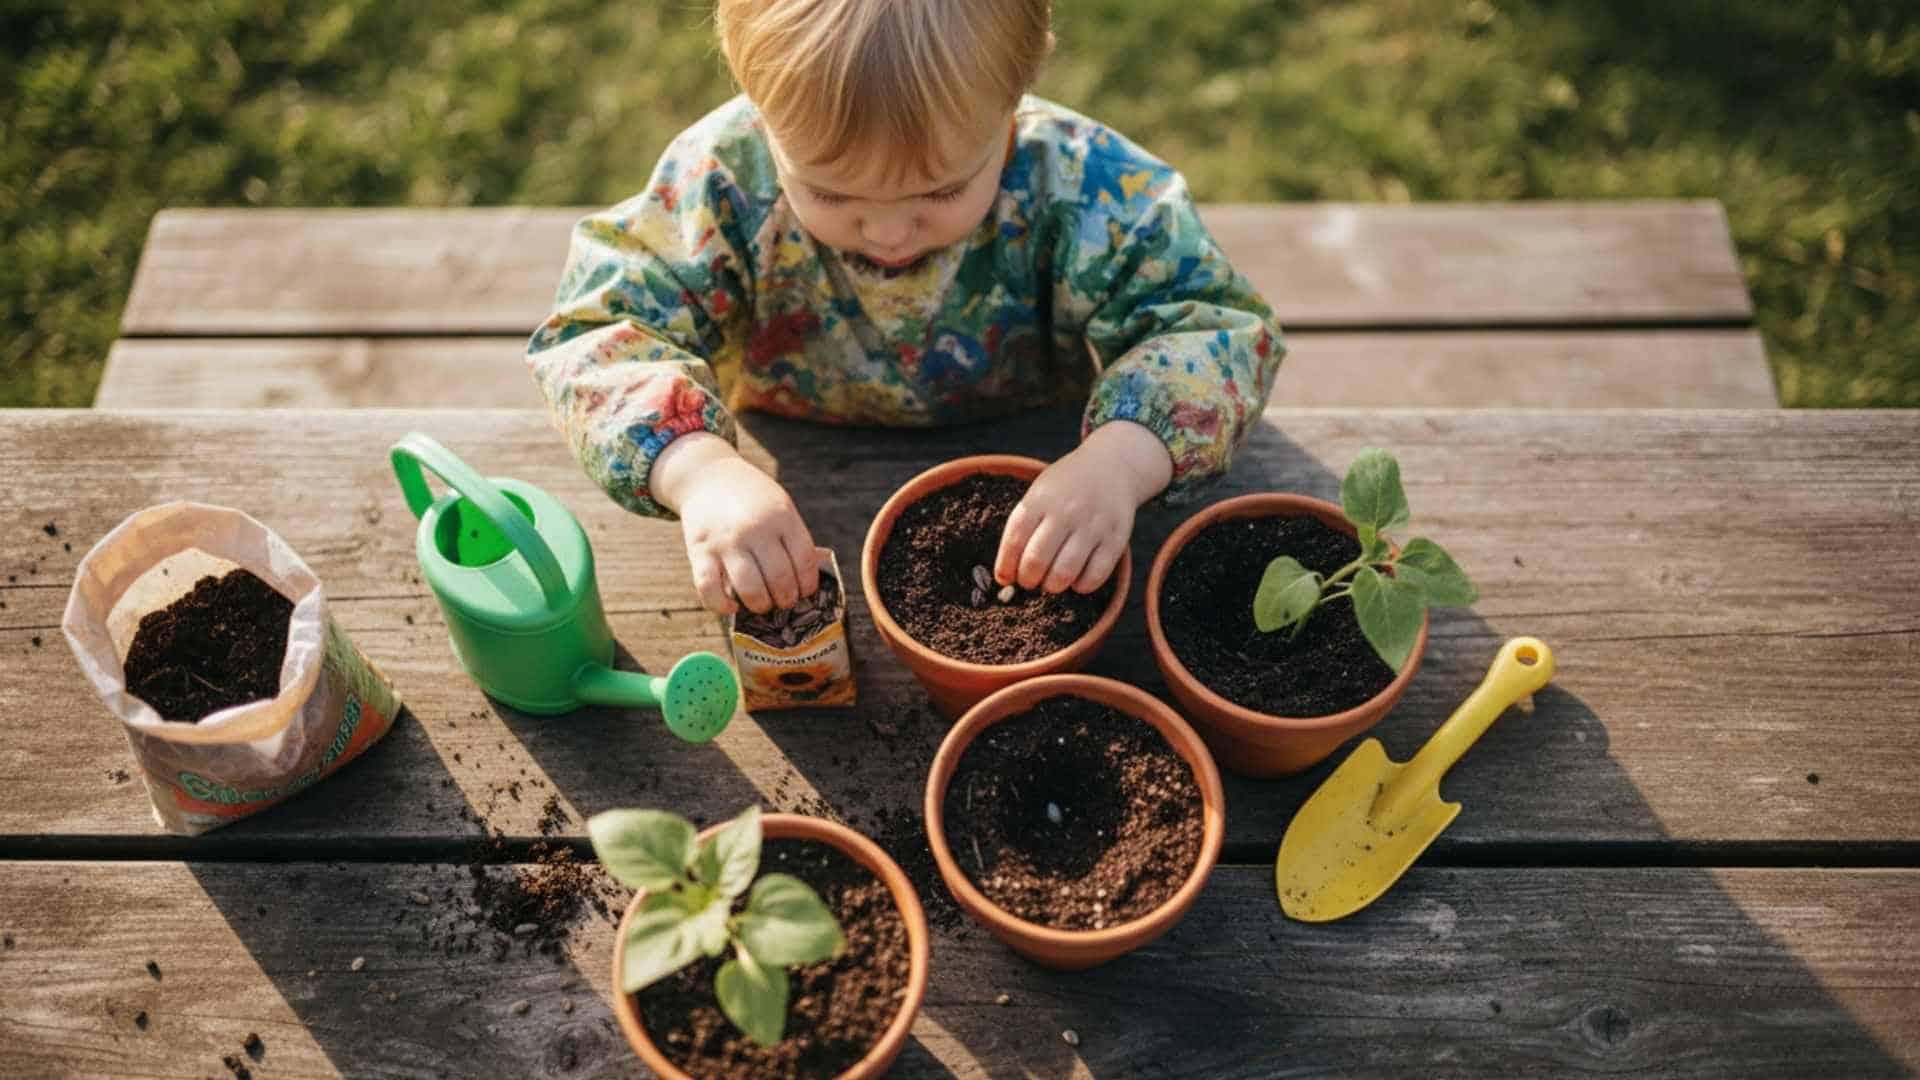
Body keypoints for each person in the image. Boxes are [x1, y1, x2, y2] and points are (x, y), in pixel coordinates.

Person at [526, 0, 1284, 617]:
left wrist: (1122, 460)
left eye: (942, 191)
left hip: (1041, 455)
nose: (888, 232)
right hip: (794, 461)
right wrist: (699, 473)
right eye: (828, 193)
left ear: (1013, 107)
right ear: (761, 114)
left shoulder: (1086, 186)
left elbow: (1214, 326)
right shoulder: (721, 182)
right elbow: (599, 334)